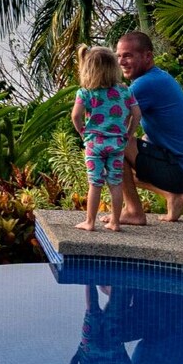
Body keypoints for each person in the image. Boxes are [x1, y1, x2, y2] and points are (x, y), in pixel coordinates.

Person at [116, 31, 183, 223]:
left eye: (128, 55)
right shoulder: (158, 77)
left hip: (181, 171)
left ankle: (133, 211)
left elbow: (112, 124)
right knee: (120, 150)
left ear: (148, 56)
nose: (121, 62)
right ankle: (172, 196)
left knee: (111, 147)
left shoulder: (145, 84)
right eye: (119, 56)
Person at [71, 46, 138, 232]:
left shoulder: (85, 92)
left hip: (95, 144)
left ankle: (90, 222)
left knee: (95, 183)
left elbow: (75, 116)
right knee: (115, 182)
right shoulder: (125, 91)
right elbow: (136, 114)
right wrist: (128, 133)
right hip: (117, 143)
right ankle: (115, 222)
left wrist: (82, 132)